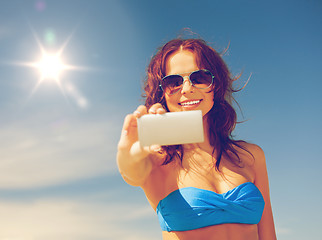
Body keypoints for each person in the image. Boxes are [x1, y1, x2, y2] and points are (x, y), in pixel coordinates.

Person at [117, 37, 277, 240]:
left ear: (216, 85)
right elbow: (132, 170)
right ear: (163, 93)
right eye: (173, 82)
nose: (186, 88)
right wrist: (126, 154)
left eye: (199, 77)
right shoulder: (158, 159)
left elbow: (268, 234)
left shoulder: (251, 156)